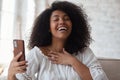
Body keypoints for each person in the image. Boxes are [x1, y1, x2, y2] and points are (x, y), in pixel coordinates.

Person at [7, 1, 108, 80]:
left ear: (73, 25)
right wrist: (11, 75)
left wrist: (72, 61)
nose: (62, 22)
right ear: (48, 27)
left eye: (66, 19)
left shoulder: (84, 52)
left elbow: (101, 78)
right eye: (56, 19)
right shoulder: (37, 54)